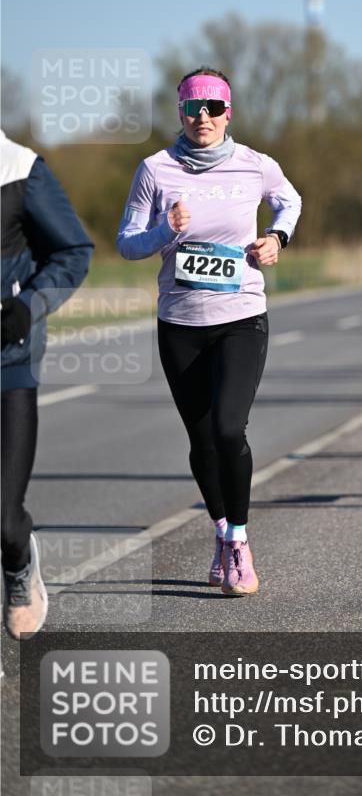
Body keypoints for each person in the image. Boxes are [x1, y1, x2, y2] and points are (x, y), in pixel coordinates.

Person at [117, 67, 301, 595]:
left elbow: (290, 201)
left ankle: (239, 541)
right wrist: (163, 230)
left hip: (242, 316)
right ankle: (221, 530)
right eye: (193, 107)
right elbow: (127, 242)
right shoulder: (155, 169)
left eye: (213, 107)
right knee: (200, 439)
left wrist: (277, 238)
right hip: (180, 323)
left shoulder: (255, 165)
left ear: (228, 112)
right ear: (180, 112)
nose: (203, 117)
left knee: (227, 429)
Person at [1, 129, 93, 639]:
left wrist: (27, 306)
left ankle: (18, 564)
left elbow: (73, 250)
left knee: (4, 517)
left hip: (8, 361)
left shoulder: (19, 170)